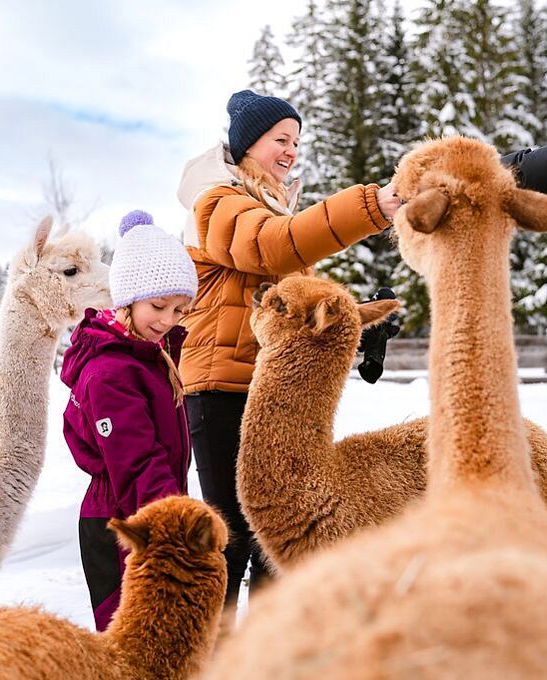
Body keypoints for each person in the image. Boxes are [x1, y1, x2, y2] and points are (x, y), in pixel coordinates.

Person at [176, 89, 401, 613]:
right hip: (221, 387)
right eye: (281, 139)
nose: (291, 151)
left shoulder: (270, 207)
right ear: (248, 143)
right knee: (231, 538)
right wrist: (372, 206)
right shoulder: (219, 202)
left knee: (278, 538)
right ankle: (216, 654)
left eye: (296, 141)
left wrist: (354, 329)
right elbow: (276, 244)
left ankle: (269, 652)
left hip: (268, 392)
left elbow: (295, 316)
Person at [60, 210, 197, 631]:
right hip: (120, 526)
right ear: (127, 299)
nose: (168, 320)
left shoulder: (151, 355)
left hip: (148, 515)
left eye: (179, 309)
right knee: (131, 643)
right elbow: (136, 460)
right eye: (158, 306)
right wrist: (177, 524)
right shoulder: (110, 373)